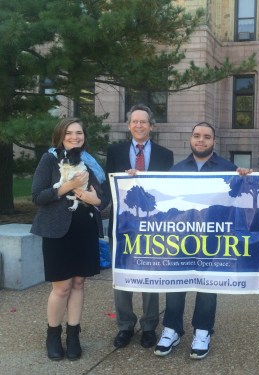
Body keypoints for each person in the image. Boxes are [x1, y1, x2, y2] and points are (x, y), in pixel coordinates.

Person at [154, 121, 251, 360]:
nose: (201, 140)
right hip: (181, 236)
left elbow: (240, 200)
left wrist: (246, 178)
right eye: (197, 135)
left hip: (212, 237)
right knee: (176, 281)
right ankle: (172, 328)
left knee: (208, 284)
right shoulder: (177, 168)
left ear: (214, 141)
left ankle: (203, 330)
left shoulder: (227, 167)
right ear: (191, 139)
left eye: (206, 137)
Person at [31, 118, 109, 361]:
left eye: (79, 133)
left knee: (78, 284)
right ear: (61, 136)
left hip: (84, 228)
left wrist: (96, 200)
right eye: (69, 133)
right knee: (61, 287)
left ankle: (73, 334)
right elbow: (37, 195)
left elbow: (103, 199)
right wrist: (69, 186)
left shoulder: (91, 162)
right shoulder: (50, 159)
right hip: (57, 231)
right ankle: (53, 335)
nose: (75, 137)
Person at [105, 104, 174, 349]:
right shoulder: (115, 152)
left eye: (143, 122)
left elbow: (167, 191)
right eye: (134, 121)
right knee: (122, 275)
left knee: (149, 275)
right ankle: (125, 325)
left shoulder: (166, 155)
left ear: (151, 126)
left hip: (153, 227)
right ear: (128, 126)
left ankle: (148, 326)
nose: (138, 125)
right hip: (122, 225)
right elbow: (108, 189)